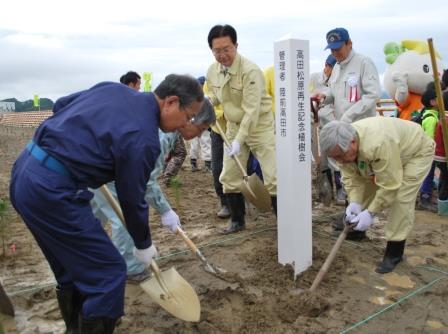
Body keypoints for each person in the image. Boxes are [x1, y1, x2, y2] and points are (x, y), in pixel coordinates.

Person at [9, 75, 203, 333]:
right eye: (188, 116)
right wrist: (143, 244)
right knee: (109, 274)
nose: (185, 124)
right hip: (52, 191)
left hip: (25, 172)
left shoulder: (113, 89)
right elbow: (132, 199)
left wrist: (84, 146)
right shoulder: (143, 137)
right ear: (171, 102)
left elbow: (61, 106)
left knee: (72, 269)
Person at [91, 100, 216, 284]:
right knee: (126, 218)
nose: (199, 135)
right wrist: (165, 210)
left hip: (98, 166)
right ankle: (132, 269)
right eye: (201, 128)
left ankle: (86, 258)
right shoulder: (162, 137)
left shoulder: (166, 126)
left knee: (93, 218)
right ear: (190, 119)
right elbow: (147, 182)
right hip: (111, 173)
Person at [319, 118, 434, 273]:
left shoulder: (377, 143)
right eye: (334, 157)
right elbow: (353, 179)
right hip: (391, 151)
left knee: (401, 197)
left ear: (353, 142)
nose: (339, 160)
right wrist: (354, 202)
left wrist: (371, 213)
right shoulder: (341, 146)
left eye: (340, 156)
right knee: (364, 186)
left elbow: (390, 185)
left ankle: (395, 252)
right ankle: (357, 230)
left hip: (416, 152)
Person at [206, 24, 277, 234]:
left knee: (273, 176)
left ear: (236, 45)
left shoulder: (250, 70)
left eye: (226, 49)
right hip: (233, 127)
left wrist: (240, 140)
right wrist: (208, 100)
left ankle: (282, 220)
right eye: (217, 50)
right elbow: (219, 96)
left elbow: (252, 111)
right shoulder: (212, 71)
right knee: (229, 176)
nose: (222, 55)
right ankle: (238, 220)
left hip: (259, 126)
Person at [314, 27, 381, 238]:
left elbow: (372, 96)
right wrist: (324, 96)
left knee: (365, 176)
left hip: (362, 131)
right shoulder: (337, 68)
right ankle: (351, 214)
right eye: (332, 50)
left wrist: (348, 117)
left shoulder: (363, 63)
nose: (336, 53)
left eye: (339, 48)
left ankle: (359, 222)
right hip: (343, 132)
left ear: (349, 43)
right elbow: (334, 92)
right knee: (350, 176)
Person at [204, 81, 231, 218]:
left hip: (237, 128)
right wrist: (220, 113)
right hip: (218, 130)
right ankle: (225, 202)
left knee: (240, 167)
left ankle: (242, 199)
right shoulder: (210, 79)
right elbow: (207, 101)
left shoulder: (239, 75)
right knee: (217, 168)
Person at [416, 82, 441, 212]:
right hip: (428, 152)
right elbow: (430, 138)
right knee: (428, 174)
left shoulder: (428, 114)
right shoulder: (431, 118)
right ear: (432, 102)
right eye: (439, 98)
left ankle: (423, 197)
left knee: (426, 174)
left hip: (425, 151)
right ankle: (425, 199)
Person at [189, 76, 212, 172]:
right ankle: (207, 165)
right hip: (202, 123)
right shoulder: (206, 97)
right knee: (205, 143)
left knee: (195, 144)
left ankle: (193, 164)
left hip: (194, 122)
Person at [434, 90, 448, 216]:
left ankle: (442, 207)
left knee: (444, 179)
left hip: (439, 156)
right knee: (445, 181)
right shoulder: (446, 119)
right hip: (444, 156)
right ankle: (443, 209)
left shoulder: (443, 118)